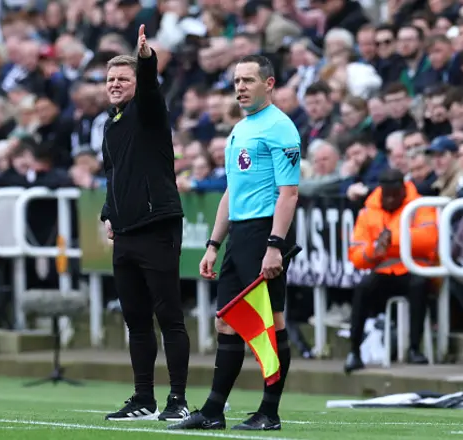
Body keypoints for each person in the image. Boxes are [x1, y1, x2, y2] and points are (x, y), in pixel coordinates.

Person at [169, 54, 300, 431]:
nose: (240, 87)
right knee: (227, 322)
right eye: (236, 81)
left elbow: (288, 194)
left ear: (269, 83)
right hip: (239, 236)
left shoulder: (280, 128)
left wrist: (275, 245)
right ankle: (213, 411)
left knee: (270, 323)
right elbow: (232, 190)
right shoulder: (241, 128)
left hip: (264, 234)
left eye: (248, 80)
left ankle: (270, 411)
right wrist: (213, 243)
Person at [101, 25, 190, 422]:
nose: (116, 84)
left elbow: (151, 88)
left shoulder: (149, 111)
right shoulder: (111, 123)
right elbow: (115, 173)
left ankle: (178, 399)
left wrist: (145, 60)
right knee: (136, 319)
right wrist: (109, 212)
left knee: (168, 315)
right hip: (126, 233)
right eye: (110, 79)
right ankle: (143, 399)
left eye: (123, 78)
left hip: (156, 226)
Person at [344, 168, 438, 373]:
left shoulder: (420, 205)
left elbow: (430, 239)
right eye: (387, 195)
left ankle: (415, 349)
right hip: (385, 271)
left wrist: (392, 239)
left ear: (404, 189)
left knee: (419, 286)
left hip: (414, 268)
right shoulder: (368, 210)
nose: (391, 199)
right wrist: (376, 249)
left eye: (396, 194)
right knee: (362, 288)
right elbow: (357, 256)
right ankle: (354, 351)